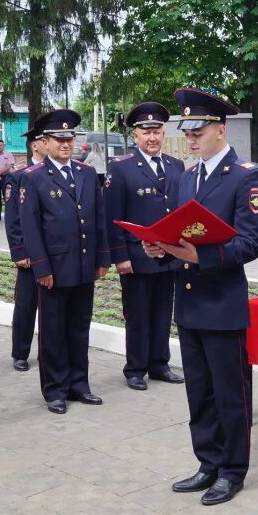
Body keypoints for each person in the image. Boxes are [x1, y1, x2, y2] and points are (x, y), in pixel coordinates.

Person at [143, 88, 258, 506]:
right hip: (190, 301)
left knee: (230, 394)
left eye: (198, 130)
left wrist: (202, 254)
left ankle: (233, 470)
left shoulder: (245, 175)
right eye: (187, 131)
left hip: (223, 303)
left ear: (220, 128)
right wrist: (159, 247)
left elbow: (249, 244)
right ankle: (208, 462)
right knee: (199, 391)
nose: (191, 139)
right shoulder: (185, 176)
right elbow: (178, 232)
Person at [19, 109, 110, 414]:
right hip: (55, 269)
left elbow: (99, 219)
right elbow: (30, 227)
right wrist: (41, 268)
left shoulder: (85, 173)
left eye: (69, 138)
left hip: (84, 265)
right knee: (53, 331)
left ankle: (79, 383)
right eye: (59, 139)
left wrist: (102, 258)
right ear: (44, 142)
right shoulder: (33, 178)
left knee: (79, 327)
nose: (66, 143)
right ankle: (54, 389)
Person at [104, 102, 185, 391]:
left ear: (164, 134)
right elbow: (113, 217)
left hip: (170, 255)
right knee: (137, 314)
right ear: (135, 136)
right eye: (145, 132)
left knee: (164, 311)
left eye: (157, 132)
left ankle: (159, 363)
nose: (152, 138)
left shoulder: (176, 166)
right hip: (137, 257)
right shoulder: (121, 168)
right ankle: (136, 368)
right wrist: (120, 258)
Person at [3, 127, 45, 372]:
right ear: (35, 146)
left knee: (50, 308)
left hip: (52, 252)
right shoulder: (19, 175)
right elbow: (13, 218)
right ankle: (20, 352)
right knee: (26, 304)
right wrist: (19, 251)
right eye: (42, 139)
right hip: (29, 253)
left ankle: (47, 351)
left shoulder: (54, 173)